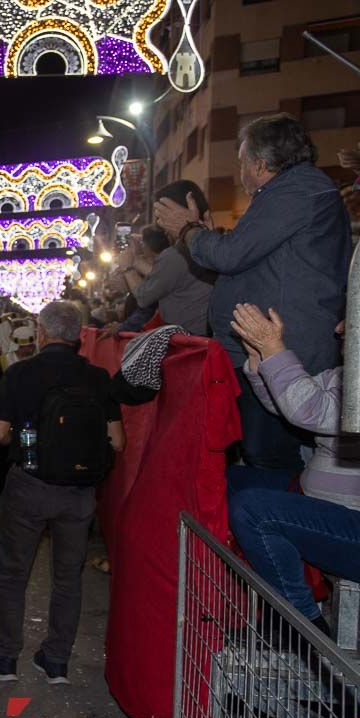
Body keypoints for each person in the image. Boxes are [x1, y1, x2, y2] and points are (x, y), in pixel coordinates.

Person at [155, 113, 350, 471]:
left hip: (285, 348)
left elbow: (230, 256)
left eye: (242, 162)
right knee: (260, 450)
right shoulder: (290, 191)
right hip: (270, 348)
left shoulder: (296, 190)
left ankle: (278, 520)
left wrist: (187, 230)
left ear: (260, 165)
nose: (240, 171)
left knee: (268, 454)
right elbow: (249, 259)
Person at [0, 301, 124, 683]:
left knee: (14, 572)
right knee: (68, 576)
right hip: (79, 493)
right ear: (78, 336)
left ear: (41, 333)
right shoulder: (98, 378)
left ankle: (6, 655)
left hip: (30, 485)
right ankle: (56, 660)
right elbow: (119, 440)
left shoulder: (20, 373)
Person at [227, 304, 359, 635]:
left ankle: (300, 624)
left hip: (352, 526)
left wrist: (274, 348)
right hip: (320, 501)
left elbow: (309, 409)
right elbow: (289, 404)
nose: (339, 328)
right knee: (229, 481)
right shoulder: (344, 374)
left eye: (352, 319)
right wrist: (260, 361)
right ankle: (291, 597)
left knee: (252, 510)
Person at [120, 183, 216, 336]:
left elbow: (144, 297)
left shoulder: (176, 254)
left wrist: (127, 269)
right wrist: (135, 261)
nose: (159, 223)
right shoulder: (214, 242)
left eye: (161, 215)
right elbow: (164, 277)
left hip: (191, 345)